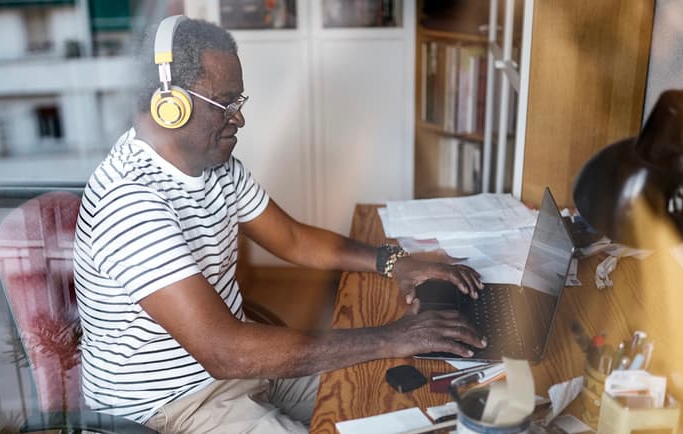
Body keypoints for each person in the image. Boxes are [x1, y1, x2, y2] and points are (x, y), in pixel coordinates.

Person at [73, 15, 486, 434]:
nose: (239, 119)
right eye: (226, 103)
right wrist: (391, 336)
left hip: (240, 367)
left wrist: (395, 261)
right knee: (385, 360)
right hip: (175, 405)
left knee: (391, 397)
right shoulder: (130, 202)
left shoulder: (213, 167)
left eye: (240, 102)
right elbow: (224, 351)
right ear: (170, 104)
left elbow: (293, 239)